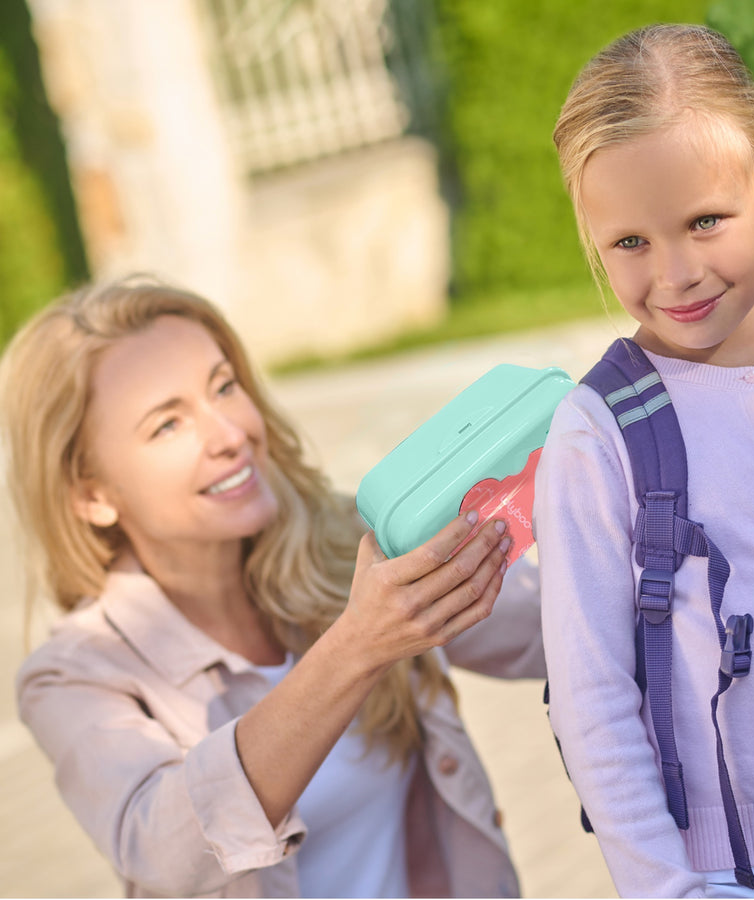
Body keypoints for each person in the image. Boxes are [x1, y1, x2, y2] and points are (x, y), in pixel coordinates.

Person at [0, 276, 545, 898]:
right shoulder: (76, 676)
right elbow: (167, 855)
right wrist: (357, 648)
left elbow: (553, 630)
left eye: (224, 387)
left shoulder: (346, 545)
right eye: (167, 425)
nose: (230, 435)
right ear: (91, 495)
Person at [535, 23, 754, 899]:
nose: (677, 273)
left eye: (705, 222)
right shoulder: (598, 437)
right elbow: (595, 707)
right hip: (743, 881)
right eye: (630, 243)